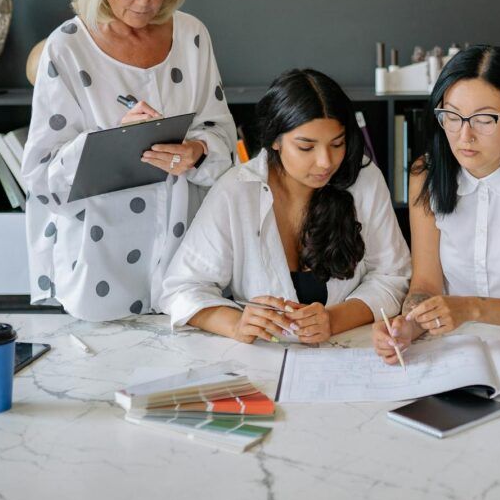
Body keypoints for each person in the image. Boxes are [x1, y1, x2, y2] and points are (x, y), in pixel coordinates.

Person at [21, 0, 236, 321]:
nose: (145, 1)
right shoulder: (66, 48)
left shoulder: (192, 35)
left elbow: (222, 136)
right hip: (100, 265)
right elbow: (41, 175)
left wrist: (195, 150)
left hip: (186, 256)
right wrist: (110, 143)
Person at [158, 69, 411, 344]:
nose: (326, 162)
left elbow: (393, 275)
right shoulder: (237, 190)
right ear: (276, 140)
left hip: (350, 354)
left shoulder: (363, 178)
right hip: (263, 361)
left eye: (337, 144)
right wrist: (236, 324)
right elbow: (180, 289)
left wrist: (335, 319)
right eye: (306, 147)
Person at [373, 45, 500, 365]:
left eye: (483, 119)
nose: (464, 136)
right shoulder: (424, 174)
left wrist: (469, 308)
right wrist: (407, 327)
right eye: (451, 117)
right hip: (459, 347)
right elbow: (426, 283)